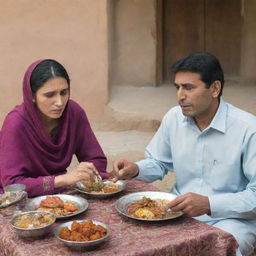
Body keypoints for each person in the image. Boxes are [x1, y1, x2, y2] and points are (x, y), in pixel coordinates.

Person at [110, 52, 256, 256]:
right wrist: (136, 169)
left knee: (219, 247)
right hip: (176, 213)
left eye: (188, 87)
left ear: (215, 88)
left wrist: (209, 204)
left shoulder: (248, 129)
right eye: (177, 87)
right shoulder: (174, 118)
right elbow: (159, 162)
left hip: (231, 220)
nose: (180, 96)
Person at [0, 59, 108, 197]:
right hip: (18, 200)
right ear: (32, 96)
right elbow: (12, 186)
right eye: (49, 95)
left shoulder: (74, 113)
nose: (59, 102)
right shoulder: (16, 123)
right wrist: (61, 180)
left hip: (61, 192)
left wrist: (86, 171)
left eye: (64, 92)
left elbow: (96, 160)